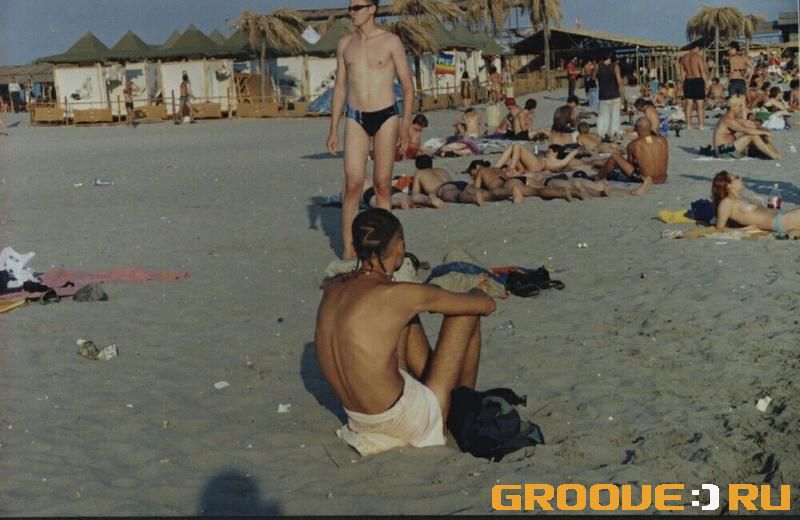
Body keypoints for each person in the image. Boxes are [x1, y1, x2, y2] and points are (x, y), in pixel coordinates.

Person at [315, 208, 496, 455]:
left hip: (360, 421)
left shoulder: (332, 288)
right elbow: (487, 306)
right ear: (400, 247)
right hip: (404, 424)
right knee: (466, 311)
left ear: (355, 248)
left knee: (406, 318)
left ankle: (447, 397)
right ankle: (463, 408)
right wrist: (476, 290)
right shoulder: (399, 295)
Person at [326, 0, 415, 260]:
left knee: (382, 185)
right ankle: (349, 248)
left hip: (386, 114)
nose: (351, 12)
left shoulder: (390, 42)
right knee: (353, 184)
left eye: (356, 7)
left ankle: (385, 248)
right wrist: (333, 128)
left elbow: (408, 86)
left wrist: (405, 124)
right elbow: (340, 87)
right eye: (350, 7)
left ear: (372, 9)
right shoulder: (345, 44)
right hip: (356, 115)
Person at [712, 171, 800, 237]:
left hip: (783, 216)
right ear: (728, 185)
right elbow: (719, 229)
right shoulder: (726, 203)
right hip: (780, 221)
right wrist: (744, 230)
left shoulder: (741, 198)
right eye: (737, 177)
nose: (740, 178)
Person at [594, 117, 668, 184]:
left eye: (635, 127)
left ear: (638, 128)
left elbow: (630, 165)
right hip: (663, 179)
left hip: (646, 180)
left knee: (614, 157)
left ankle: (597, 178)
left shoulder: (633, 145)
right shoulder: (663, 140)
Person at [713, 95, 780, 160]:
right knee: (752, 135)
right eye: (739, 106)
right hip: (723, 151)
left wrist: (763, 131)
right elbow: (746, 130)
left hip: (730, 148)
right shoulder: (728, 120)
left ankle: (775, 153)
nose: (741, 109)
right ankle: (773, 155)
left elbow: (751, 125)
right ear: (733, 107)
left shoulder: (733, 118)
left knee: (758, 135)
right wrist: (766, 133)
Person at [411, 155, 486, 206]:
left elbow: (415, 193)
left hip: (443, 188)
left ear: (417, 167)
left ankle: (473, 198)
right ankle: (488, 194)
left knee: (457, 196)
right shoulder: (441, 170)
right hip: (457, 183)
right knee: (478, 191)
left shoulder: (419, 172)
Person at [593, 50, 626, 141]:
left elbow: (593, 77)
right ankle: (613, 134)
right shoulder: (615, 66)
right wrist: (624, 96)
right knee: (615, 116)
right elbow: (619, 82)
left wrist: (600, 82)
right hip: (615, 94)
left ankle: (601, 134)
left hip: (603, 95)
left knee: (602, 116)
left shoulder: (598, 66)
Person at [679, 43, 708, 130]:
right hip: (698, 80)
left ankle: (688, 125)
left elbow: (682, 73)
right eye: (699, 49)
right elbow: (702, 72)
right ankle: (701, 125)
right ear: (696, 48)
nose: (699, 51)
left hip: (688, 80)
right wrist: (706, 84)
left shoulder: (683, 58)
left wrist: (683, 84)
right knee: (700, 104)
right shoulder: (698, 57)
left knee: (689, 104)